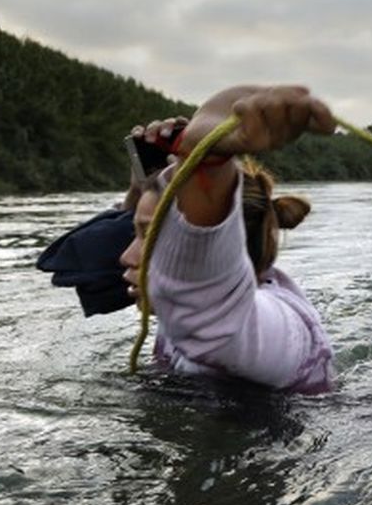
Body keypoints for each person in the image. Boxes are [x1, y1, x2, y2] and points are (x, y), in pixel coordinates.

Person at [118, 84, 338, 393]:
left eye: (148, 234)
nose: (126, 256)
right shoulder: (180, 303)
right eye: (137, 232)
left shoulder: (283, 332)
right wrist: (144, 186)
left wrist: (203, 160)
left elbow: (205, 298)